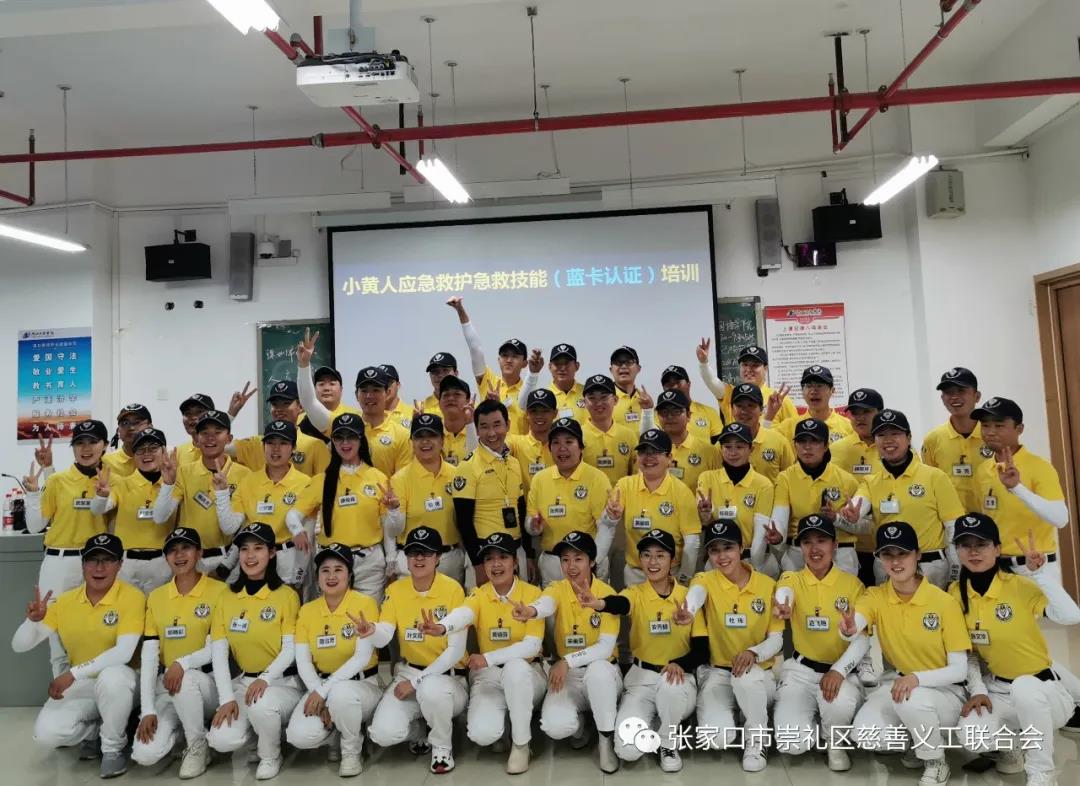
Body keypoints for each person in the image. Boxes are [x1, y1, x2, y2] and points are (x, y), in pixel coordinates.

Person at [950, 514, 1080, 786]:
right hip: (1000, 689)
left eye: (982, 544)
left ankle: (1041, 773)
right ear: (957, 550)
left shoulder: (1019, 585)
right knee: (972, 735)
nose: (974, 551)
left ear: (997, 549)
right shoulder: (955, 593)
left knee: (1024, 688)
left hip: (1044, 690)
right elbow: (967, 652)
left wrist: (1041, 574)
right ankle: (1014, 745)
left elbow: (1071, 616)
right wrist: (979, 690)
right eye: (965, 545)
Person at [844, 521, 970, 786]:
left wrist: (916, 679)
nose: (896, 561)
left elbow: (960, 670)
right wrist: (848, 629)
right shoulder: (875, 595)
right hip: (900, 683)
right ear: (879, 558)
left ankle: (935, 761)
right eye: (888, 554)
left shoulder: (944, 602)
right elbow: (855, 623)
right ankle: (919, 739)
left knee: (911, 700)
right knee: (866, 734)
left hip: (946, 691)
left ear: (918, 555)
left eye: (903, 553)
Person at [11, 533, 143, 779]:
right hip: (83, 683)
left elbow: (123, 653)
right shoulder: (65, 601)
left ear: (120, 564)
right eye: (92, 560)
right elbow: (19, 645)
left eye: (107, 560)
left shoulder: (132, 597)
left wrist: (72, 673)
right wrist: (32, 622)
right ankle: (94, 733)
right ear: (83, 564)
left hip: (124, 681)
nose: (99, 567)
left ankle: (113, 748)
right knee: (46, 734)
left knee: (112, 678)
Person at [577, 529, 704, 773]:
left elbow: (701, 649)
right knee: (627, 750)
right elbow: (620, 603)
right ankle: (661, 720)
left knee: (670, 686)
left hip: (678, 680)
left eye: (660, 555)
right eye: (646, 555)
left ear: (673, 560)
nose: (652, 562)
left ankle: (668, 742)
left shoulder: (688, 598)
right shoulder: (635, 593)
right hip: (641, 680)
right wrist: (600, 603)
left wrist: (681, 664)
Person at [421, 531, 546, 774]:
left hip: (528, 674)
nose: (496, 564)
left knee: (516, 667)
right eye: (489, 559)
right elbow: (464, 614)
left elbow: (531, 647)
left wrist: (488, 657)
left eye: (503, 557)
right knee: (482, 734)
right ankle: (505, 723)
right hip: (489, 676)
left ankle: (521, 744)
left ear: (515, 562)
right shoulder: (479, 594)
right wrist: (443, 626)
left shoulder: (533, 594)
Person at [510, 532, 622, 772]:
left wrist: (567, 661)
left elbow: (605, 648)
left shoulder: (607, 594)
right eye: (565, 560)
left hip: (602, 672)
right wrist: (531, 611)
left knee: (599, 671)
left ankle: (605, 742)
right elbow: (545, 604)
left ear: (592, 561)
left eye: (578, 559)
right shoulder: (556, 588)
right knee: (555, 726)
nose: (571, 566)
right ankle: (582, 726)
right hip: (568, 675)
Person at [365, 526, 469, 774]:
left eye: (426, 553)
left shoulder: (453, 589)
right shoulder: (395, 590)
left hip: (448, 676)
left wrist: (416, 682)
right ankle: (421, 728)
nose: (419, 558)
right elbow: (384, 636)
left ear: (438, 557)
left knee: (431, 689)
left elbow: (455, 651)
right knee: (382, 734)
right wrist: (371, 630)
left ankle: (442, 747)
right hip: (409, 672)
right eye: (413, 553)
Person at [684, 520, 785, 772]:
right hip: (718, 672)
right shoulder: (705, 580)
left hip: (758, 674)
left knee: (746, 678)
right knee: (716, 738)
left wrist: (753, 653)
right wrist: (689, 610)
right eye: (714, 550)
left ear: (741, 548)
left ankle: (756, 739)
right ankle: (742, 711)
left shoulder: (767, 585)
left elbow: (777, 639)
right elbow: (695, 594)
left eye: (728, 548)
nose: (722, 556)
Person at [206, 523, 302, 781]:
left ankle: (270, 755)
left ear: (271, 553)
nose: (250, 556)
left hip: (282, 683)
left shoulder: (286, 595)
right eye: (244, 549)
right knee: (221, 739)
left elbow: (291, 649)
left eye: (258, 548)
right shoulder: (226, 596)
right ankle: (257, 736)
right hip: (244, 683)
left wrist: (266, 678)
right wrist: (226, 698)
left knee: (262, 704)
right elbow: (219, 652)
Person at [772, 515, 868, 772]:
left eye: (821, 540)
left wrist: (839, 670)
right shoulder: (792, 578)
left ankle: (834, 741)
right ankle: (815, 721)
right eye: (807, 542)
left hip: (841, 672)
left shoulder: (852, 585)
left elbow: (862, 640)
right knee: (791, 743)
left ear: (834, 545)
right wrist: (783, 605)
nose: (814, 549)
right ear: (799, 547)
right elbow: (785, 592)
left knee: (838, 702)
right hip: (801, 671)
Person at [131, 527, 226, 778]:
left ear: (199, 553)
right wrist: (148, 709)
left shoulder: (219, 591)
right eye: (172, 551)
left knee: (186, 679)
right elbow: (149, 657)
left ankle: (197, 745)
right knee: (144, 754)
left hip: (207, 684)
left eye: (186, 548)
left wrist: (183, 663)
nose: (179, 555)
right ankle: (184, 732)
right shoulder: (156, 597)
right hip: (167, 685)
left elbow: (216, 649)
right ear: (166, 557)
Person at [285, 543, 381, 778]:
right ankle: (337, 733)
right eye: (325, 570)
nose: (331, 576)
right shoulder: (307, 610)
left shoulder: (364, 604)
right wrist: (319, 691)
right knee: (298, 736)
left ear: (349, 574)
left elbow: (361, 657)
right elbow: (303, 661)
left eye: (338, 570)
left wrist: (325, 692)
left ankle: (351, 750)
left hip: (361, 685)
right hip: (320, 685)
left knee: (342, 695)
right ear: (317, 576)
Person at [23, 419, 109, 675]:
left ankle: (92, 692)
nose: (86, 448)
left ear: (104, 445)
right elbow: (35, 526)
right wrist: (33, 493)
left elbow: (104, 509)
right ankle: (62, 692)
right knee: (56, 633)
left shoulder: (111, 480)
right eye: (79, 443)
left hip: (96, 564)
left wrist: (102, 492)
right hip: (59, 564)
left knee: (95, 630)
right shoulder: (58, 480)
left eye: (92, 442)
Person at [841, 410, 964, 588]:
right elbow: (859, 504)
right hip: (887, 568)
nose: (888, 440)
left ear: (908, 437)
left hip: (930, 568)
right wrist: (852, 514)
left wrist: (956, 571)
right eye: (881, 435)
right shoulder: (871, 482)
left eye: (895, 434)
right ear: (875, 441)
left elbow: (953, 526)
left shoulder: (935, 477)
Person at [288, 413, 398, 604]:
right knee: (333, 617)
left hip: (369, 564)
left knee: (368, 617)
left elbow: (386, 525)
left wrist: (391, 557)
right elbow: (292, 515)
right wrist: (297, 531)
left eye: (351, 437)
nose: (345, 443)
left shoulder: (378, 477)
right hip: (333, 562)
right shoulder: (322, 480)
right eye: (339, 437)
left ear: (361, 439)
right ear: (332, 441)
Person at [971, 397, 1069, 583]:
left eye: (999, 426)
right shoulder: (983, 470)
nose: (990, 432)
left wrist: (1017, 488)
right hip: (997, 568)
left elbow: (1061, 518)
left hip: (1035, 568)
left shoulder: (1039, 467)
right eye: (985, 425)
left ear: (1019, 429)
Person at [154, 410, 251, 577]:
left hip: (228, 559)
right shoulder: (183, 472)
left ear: (229, 438)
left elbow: (233, 528)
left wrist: (222, 492)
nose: (210, 438)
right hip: (191, 560)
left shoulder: (244, 474)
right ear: (197, 440)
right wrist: (168, 484)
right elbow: (160, 517)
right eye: (204, 433)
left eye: (217, 432)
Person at [222, 420, 314, 587]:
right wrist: (221, 492)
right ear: (263, 446)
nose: (276, 449)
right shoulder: (248, 481)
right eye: (270, 443)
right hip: (252, 561)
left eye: (283, 443)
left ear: (293, 448)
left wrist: (298, 577)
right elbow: (234, 527)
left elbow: (308, 534)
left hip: (288, 561)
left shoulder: (306, 483)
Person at [525, 418, 615, 586]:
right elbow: (530, 524)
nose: (562, 448)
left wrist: (593, 562)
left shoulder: (597, 479)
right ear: (549, 448)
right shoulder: (540, 479)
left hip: (587, 563)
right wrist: (534, 526)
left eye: (569, 441)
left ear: (581, 447)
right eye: (556, 442)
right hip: (552, 563)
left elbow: (605, 527)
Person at [451, 399, 531, 586]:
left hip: (516, 552)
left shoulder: (513, 462)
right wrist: (478, 565)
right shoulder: (467, 467)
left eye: (497, 425)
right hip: (484, 554)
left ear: (508, 425)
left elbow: (521, 509)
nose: (492, 433)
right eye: (484, 427)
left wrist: (529, 555)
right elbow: (463, 522)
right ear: (477, 430)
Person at [609, 429, 700, 585]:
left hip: (670, 575)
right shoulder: (625, 485)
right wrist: (611, 518)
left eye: (655, 452)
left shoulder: (682, 492)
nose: (648, 457)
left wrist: (684, 578)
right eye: (643, 452)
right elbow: (608, 522)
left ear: (669, 458)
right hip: (636, 574)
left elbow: (692, 542)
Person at [91, 427, 176, 594]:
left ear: (164, 451)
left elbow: (161, 516)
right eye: (140, 450)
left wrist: (168, 484)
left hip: (162, 561)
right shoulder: (123, 484)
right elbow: (98, 509)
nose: (146, 454)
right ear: (134, 456)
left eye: (153, 448)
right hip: (127, 563)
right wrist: (101, 496)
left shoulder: (174, 484)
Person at [770, 418, 859, 575]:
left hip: (840, 553)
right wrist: (778, 536)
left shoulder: (846, 480)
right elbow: (780, 518)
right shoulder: (785, 478)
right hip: (798, 553)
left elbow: (866, 526)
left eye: (814, 441)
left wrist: (836, 518)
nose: (807, 447)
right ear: (795, 445)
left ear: (826, 446)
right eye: (802, 441)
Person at [388, 413, 466, 584]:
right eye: (419, 437)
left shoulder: (457, 475)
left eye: (432, 436)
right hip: (413, 562)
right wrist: (393, 510)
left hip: (450, 561)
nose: (425, 442)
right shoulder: (399, 479)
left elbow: (464, 522)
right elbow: (394, 530)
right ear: (411, 442)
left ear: (442, 441)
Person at [695, 422, 775, 576]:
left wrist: (754, 568)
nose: (733, 452)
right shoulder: (707, 478)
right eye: (727, 447)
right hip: (718, 561)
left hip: (753, 560)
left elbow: (761, 533)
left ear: (751, 449)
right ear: (721, 449)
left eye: (739, 447)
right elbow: (706, 524)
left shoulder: (763, 484)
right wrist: (705, 518)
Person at [446, 297, 530, 434]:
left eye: (515, 356)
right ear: (498, 360)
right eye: (504, 355)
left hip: (518, 447)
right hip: (489, 445)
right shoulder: (489, 380)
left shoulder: (529, 390)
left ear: (525, 363)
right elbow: (475, 348)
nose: (509, 360)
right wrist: (460, 310)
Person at [830, 388, 886, 587]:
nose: (860, 418)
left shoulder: (894, 447)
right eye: (855, 413)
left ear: (880, 413)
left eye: (866, 412)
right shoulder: (836, 450)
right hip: (848, 546)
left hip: (888, 544)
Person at [921, 367, 991, 513]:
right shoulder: (933, 439)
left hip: (992, 520)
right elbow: (930, 485)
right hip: (952, 521)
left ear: (977, 396)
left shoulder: (992, 435)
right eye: (948, 392)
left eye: (961, 391)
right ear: (942, 398)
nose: (954, 397)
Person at [228, 380, 332, 478]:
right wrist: (231, 414)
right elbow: (220, 448)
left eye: (286, 403)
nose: (279, 409)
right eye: (275, 404)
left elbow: (327, 484)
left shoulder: (315, 445)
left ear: (300, 407)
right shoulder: (255, 444)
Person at [696, 341, 798, 425]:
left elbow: (794, 431)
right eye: (745, 365)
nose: (749, 369)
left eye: (755, 365)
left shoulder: (778, 399)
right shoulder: (731, 394)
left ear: (765, 369)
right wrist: (703, 363)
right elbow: (712, 381)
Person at [293, 328, 360, 437]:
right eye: (321, 384)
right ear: (313, 389)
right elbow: (308, 402)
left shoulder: (356, 417)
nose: (326, 388)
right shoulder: (300, 420)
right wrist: (304, 363)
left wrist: (304, 365)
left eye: (332, 383)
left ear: (341, 390)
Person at [726, 383, 794, 482]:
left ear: (761, 409)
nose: (744, 411)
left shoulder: (779, 442)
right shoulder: (723, 445)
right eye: (739, 406)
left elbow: (792, 480)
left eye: (751, 405)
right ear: (732, 409)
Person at [770, 365, 854, 444]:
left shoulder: (848, 427)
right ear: (802, 392)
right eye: (809, 386)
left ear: (832, 390)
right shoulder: (789, 426)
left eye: (820, 386)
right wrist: (769, 416)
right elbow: (765, 441)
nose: (814, 391)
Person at [653, 389, 717, 491]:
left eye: (676, 411)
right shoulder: (650, 451)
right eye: (664, 412)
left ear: (688, 415)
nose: (669, 416)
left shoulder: (709, 452)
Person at [581, 374, 637, 485]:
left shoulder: (628, 435)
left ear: (615, 400)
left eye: (604, 397)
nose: (598, 403)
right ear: (584, 402)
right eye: (592, 398)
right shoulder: (577, 436)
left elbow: (636, 476)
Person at [520, 343, 587, 423]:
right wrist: (533, 374)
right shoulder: (543, 396)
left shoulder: (588, 393)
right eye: (557, 363)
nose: (562, 368)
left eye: (566, 363)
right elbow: (522, 406)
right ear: (550, 366)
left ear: (577, 366)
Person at [659, 364, 724, 445]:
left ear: (688, 384)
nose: (674, 387)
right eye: (668, 384)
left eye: (678, 382)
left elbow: (719, 446)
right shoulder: (658, 416)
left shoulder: (709, 412)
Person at [507, 389, 557, 489]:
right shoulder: (516, 443)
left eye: (545, 411)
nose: (539, 416)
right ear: (527, 414)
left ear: (555, 413)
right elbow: (498, 446)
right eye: (534, 411)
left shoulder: (563, 447)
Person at [435, 373, 478, 466]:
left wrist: (470, 424)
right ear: (439, 403)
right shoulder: (432, 433)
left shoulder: (479, 431)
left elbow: (477, 462)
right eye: (446, 395)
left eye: (457, 394)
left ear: (468, 400)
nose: (450, 398)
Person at [102, 403, 152, 478]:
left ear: (150, 427)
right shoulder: (106, 462)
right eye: (125, 423)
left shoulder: (163, 459)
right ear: (118, 430)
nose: (131, 428)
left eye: (137, 422)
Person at [610, 345, 647, 427]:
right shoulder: (604, 401)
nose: (623, 366)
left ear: (638, 368)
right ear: (611, 369)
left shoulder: (645, 400)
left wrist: (649, 410)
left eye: (629, 362)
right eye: (618, 362)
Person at [176, 394, 215, 467]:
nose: (193, 417)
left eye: (199, 412)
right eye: (188, 413)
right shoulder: (179, 452)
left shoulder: (225, 447)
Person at [376, 364, 415, 429]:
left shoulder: (412, 413)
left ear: (398, 385)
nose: (385, 387)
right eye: (380, 384)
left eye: (388, 382)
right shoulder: (368, 415)